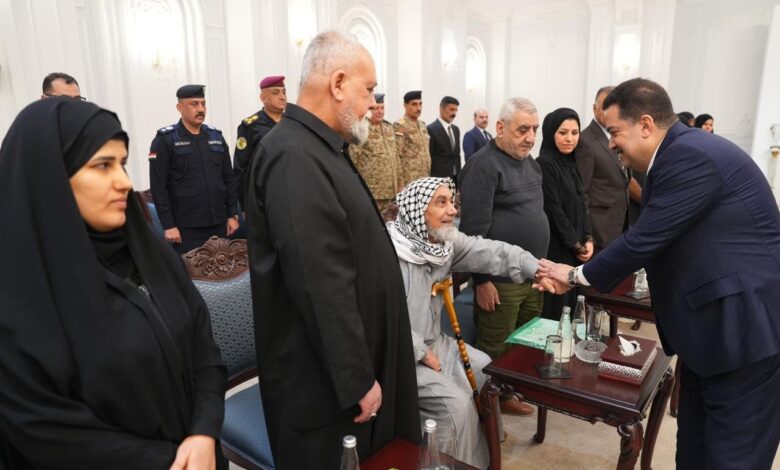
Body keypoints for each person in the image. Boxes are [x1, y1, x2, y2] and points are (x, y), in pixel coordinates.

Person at [538, 78, 780, 469]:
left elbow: (644, 240)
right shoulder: (676, 156)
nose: (611, 143)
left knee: (733, 458)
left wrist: (574, 275)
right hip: (710, 337)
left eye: (615, 131)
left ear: (646, 125)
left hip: (744, 335)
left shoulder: (690, 156)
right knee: (694, 452)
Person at [0, 97, 228, 469]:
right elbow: (43, 429)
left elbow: (204, 349)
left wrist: (203, 432)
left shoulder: (150, 252)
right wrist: (169, 462)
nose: (124, 182)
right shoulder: (18, 290)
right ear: (51, 178)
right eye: (102, 165)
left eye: (121, 164)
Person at [245, 31, 420, 468]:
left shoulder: (321, 147)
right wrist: (355, 377)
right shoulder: (293, 156)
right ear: (338, 83)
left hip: (351, 366)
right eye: (369, 90)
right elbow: (318, 279)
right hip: (324, 390)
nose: (372, 104)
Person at [390, 176, 557, 468]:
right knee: (455, 406)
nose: (453, 210)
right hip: (402, 353)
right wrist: (420, 351)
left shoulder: (441, 245)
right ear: (417, 210)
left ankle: (487, 452)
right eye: (441, 203)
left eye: (452, 202)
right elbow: (378, 320)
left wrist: (537, 269)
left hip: (436, 343)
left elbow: (492, 251)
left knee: (485, 368)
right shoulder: (390, 255)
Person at [458, 97, 549, 416]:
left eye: (535, 129)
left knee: (523, 343)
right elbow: (471, 232)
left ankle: (508, 396)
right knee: (495, 348)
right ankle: (487, 416)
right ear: (500, 127)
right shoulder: (484, 166)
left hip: (532, 276)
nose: (530, 137)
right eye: (523, 129)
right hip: (499, 280)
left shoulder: (530, 163)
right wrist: (482, 281)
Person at [149, 84, 238, 253]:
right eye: (194, 104)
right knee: (190, 270)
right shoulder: (165, 140)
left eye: (203, 104)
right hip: (186, 228)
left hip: (219, 223)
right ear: (179, 107)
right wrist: (169, 225)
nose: (201, 109)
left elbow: (228, 178)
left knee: (222, 268)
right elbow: (158, 187)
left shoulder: (216, 137)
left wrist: (232, 214)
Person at [536, 108, 593, 319]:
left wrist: (588, 238)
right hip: (558, 248)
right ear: (551, 133)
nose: (570, 139)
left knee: (576, 307)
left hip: (576, 248)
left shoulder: (570, 161)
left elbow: (581, 203)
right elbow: (554, 210)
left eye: (575, 133)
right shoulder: (545, 163)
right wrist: (576, 245)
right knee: (557, 309)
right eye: (563, 133)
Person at [576, 86, 630, 251]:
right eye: (605, 107)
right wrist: (587, 235)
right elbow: (582, 192)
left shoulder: (620, 137)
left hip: (620, 226)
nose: (611, 112)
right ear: (594, 109)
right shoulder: (585, 141)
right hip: (599, 231)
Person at [233, 75, 286, 207]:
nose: (282, 97)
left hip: (290, 193)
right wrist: (245, 205)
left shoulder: (293, 123)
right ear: (263, 98)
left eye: (284, 92)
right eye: (276, 92)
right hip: (263, 196)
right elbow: (241, 169)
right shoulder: (250, 127)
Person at [349, 92, 402, 213]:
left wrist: (400, 183)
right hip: (372, 190)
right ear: (368, 109)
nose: (380, 111)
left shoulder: (388, 127)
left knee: (389, 222)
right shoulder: (361, 128)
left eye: (382, 108)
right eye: (376, 108)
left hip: (391, 190)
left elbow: (396, 156)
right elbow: (353, 160)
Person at [394, 90, 431, 186]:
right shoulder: (400, 125)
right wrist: (400, 182)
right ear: (405, 106)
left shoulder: (423, 125)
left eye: (420, 104)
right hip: (409, 179)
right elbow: (397, 155)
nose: (418, 108)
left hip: (425, 176)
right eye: (414, 104)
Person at [427, 96, 461, 180]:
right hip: (439, 178)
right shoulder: (431, 129)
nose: (454, 113)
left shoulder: (456, 129)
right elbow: (429, 156)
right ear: (441, 109)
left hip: (455, 178)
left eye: (456, 110)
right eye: (451, 109)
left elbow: (457, 155)